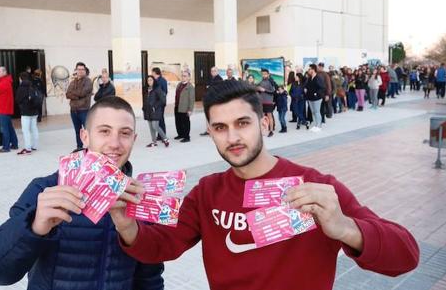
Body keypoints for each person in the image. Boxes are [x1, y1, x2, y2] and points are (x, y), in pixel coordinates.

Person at [109, 80, 419, 290]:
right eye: (220, 127)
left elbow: (406, 255)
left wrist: (344, 228)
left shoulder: (316, 186)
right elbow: (164, 245)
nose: (232, 138)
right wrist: (127, 227)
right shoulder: (207, 192)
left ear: (265, 123)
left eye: (242, 123)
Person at [0, 96, 165, 290]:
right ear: (85, 136)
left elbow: (150, 278)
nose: (115, 143)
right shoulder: (45, 190)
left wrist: (132, 231)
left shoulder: (140, 198)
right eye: (104, 131)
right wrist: (33, 226)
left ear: (134, 139)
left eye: (124, 133)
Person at [66, 62, 93, 150]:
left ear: (85, 71)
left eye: (82, 69)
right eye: (79, 69)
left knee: (87, 130)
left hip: (84, 110)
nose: (80, 71)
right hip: (73, 110)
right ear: (76, 70)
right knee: (78, 131)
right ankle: (79, 147)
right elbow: (67, 94)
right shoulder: (73, 82)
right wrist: (77, 95)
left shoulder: (88, 81)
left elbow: (83, 92)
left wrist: (74, 94)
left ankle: (91, 147)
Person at [0, 66, 18, 153]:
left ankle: (6, 147)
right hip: (5, 108)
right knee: (9, 127)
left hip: (3, 109)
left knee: (4, 128)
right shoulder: (4, 81)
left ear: (4, 72)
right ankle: (14, 144)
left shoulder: (4, 82)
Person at [16, 72, 41, 155]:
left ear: (21, 78)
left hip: (26, 112)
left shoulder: (21, 88)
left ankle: (28, 148)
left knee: (26, 130)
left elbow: (17, 99)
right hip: (35, 111)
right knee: (34, 128)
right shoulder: (32, 85)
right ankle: (35, 146)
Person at [143, 76, 169, 148]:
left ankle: (165, 139)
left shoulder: (157, 89)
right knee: (151, 127)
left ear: (154, 81)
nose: (149, 82)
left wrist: (155, 106)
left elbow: (163, 100)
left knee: (155, 126)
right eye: (148, 80)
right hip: (148, 111)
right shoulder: (147, 89)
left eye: (151, 80)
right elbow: (146, 100)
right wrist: (144, 107)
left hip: (155, 111)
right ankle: (154, 142)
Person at [201, 67, 224, 136]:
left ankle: (216, 129)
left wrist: (210, 87)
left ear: (217, 71)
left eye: (214, 71)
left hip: (215, 100)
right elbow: (207, 87)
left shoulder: (220, 79)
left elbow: (217, 90)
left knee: (215, 115)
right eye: (212, 71)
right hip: (209, 99)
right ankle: (208, 130)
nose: (213, 72)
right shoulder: (210, 79)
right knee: (207, 115)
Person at [174, 70, 195, 143]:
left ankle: (186, 137)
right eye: (182, 75)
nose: (183, 77)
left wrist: (190, 110)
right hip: (177, 106)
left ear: (189, 77)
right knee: (178, 121)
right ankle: (180, 134)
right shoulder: (179, 84)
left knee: (185, 122)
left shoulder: (190, 87)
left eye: (185, 76)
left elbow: (192, 99)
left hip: (185, 108)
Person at [255, 69, 277, 137]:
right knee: (263, 116)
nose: (264, 75)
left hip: (269, 101)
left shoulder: (271, 81)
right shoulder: (261, 81)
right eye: (262, 74)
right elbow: (259, 91)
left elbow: (273, 92)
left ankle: (271, 130)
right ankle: (264, 130)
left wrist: (264, 90)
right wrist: (258, 89)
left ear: (268, 74)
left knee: (269, 116)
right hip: (262, 101)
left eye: (265, 74)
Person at [305, 64, 325, 132]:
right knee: (313, 112)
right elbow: (307, 86)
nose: (308, 70)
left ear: (313, 69)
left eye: (309, 69)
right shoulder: (309, 78)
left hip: (317, 98)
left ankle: (319, 126)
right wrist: (305, 89)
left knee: (317, 111)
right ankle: (316, 125)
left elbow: (322, 87)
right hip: (310, 98)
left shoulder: (318, 77)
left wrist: (316, 93)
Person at [151, 67, 168, 140]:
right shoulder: (158, 80)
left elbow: (164, 92)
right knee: (158, 119)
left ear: (155, 73)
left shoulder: (161, 81)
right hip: (158, 102)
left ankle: (163, 135)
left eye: (152, 72)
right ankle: (160, 135)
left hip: (160, 102)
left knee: (160, 119)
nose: (151, 74)